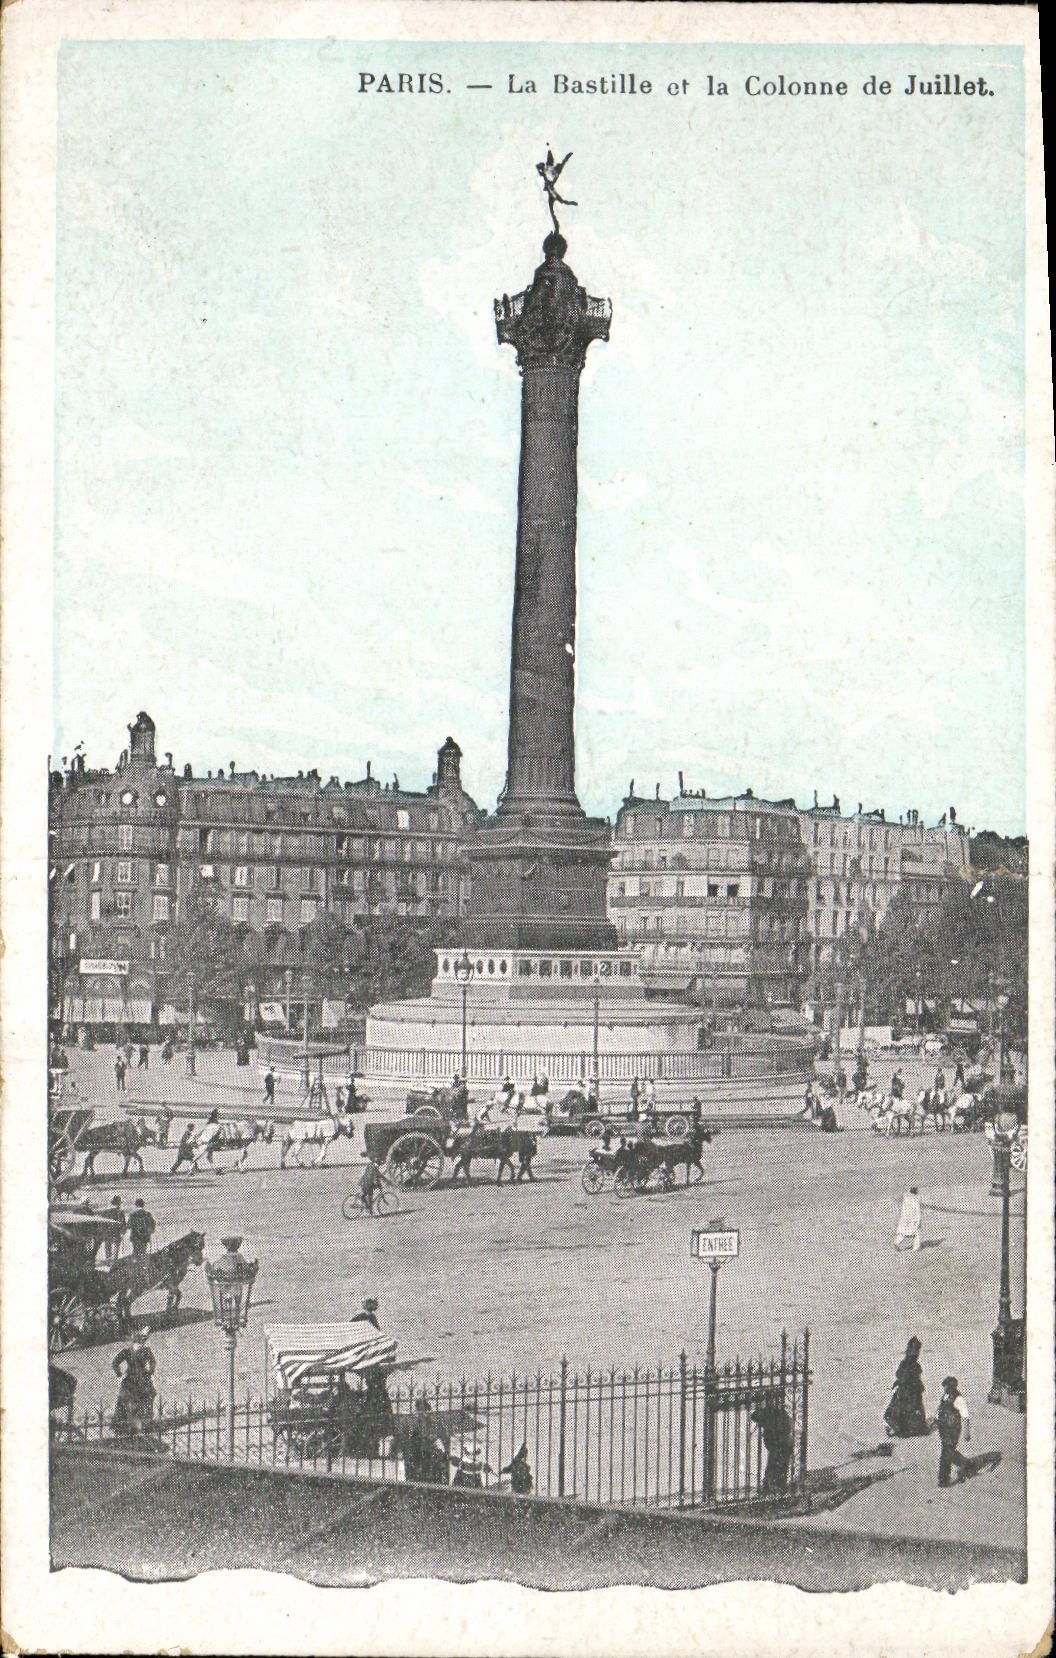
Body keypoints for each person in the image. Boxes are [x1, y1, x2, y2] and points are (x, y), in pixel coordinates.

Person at [112, 1326, 157, 1437]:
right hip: (137, 1380)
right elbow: (115, 1362)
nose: (140, 1344)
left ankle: (138, 1427)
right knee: (135, 1403)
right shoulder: (136, 1351)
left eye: (142, 1342)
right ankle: (134, 1427)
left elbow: (153, 1363)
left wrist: (120, 1375)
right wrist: (119, 1375)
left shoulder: (137, 1351)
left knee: (137, 1402)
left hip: (136, 1379)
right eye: (139, 1342)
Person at [884, 1337, 928, 1437]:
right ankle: (905, 1429)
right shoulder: (909, 1364)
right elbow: (902, 1376)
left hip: (909, 1392)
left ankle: (905, 1428)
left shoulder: (912, 1364)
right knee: (902, 1411)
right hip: (907, 1393)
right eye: (914, 1350)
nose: (916, 1353)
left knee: (902, 1412)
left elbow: (904, 1376)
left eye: (916, 1350)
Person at [750, 1399, 795, 1494]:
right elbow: (754, 1416)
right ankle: (772, 1487)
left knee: (778, 1466)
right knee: (775, 1465)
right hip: (777, 1444)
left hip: (782, 1445)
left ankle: (776, 1487)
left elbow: (787, 1428)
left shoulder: (781, 1414)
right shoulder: (768, 1412)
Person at [937, 1376, 971, 1487]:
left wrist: (966, 1431)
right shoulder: (945, 1397)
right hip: (944, 1429)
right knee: (948, 1451)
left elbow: (965, 1416)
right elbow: (940, 1410)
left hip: (953, 1430)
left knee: (946, 1452)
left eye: (947, 1386)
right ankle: (965, 1463)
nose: (945, 1388)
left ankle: (944, 1479)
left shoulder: (958, 1399)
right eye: (945, 1386)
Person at [895, 1186, 922, 1252]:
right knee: (916, 1233)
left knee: (903, 1232)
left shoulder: (906, 1198)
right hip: (913, 1219)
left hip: (905, 1218)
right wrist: (918, 1220)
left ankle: (897, 1242)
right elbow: (917, 1211)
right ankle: (916, 1247)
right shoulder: (916, 1199)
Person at [104, 1196, 126, 1264]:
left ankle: (108, 1261)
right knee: (116, 1248)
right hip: (117, 1232)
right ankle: (114, 1262)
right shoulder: (120, 1212)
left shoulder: (106, 1212)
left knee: (108, 1247)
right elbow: (123, 1223)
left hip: (108, 1232)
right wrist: (123, 1232)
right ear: (118, 1204)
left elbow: (103, 1223)